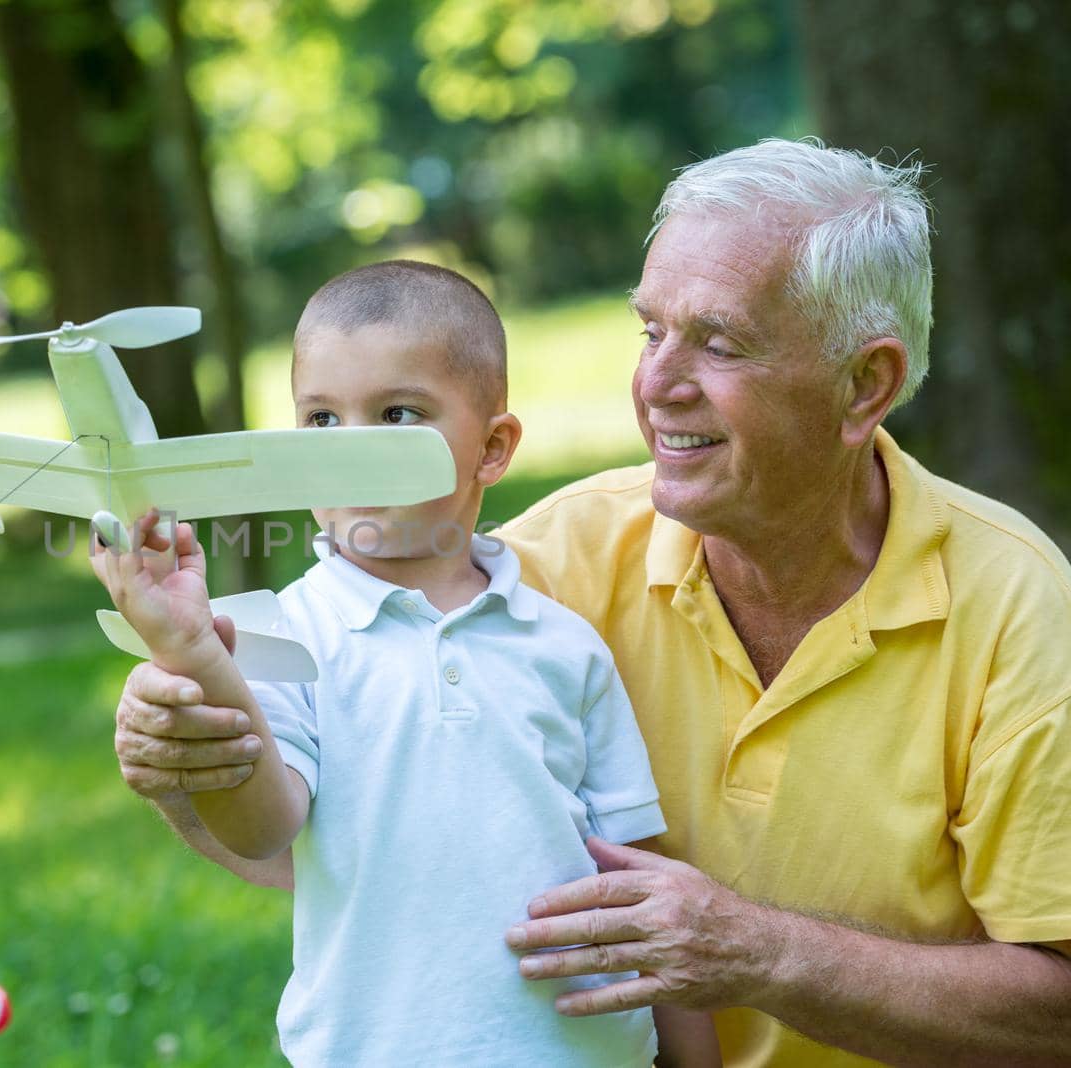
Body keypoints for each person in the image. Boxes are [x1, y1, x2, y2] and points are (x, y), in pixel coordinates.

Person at [108, 140, 1071, 1067]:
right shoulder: (532, 571)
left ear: (867, 384)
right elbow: (348, 836)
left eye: (719, 343)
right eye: (650, 331)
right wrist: (187, 761)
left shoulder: (1014, 607)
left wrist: (767, 955)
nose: (654, 386)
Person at [93, 261, 720, 1066]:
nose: (350, 452)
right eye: (320, 420)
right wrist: (193, 651)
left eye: (396, 414)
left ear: (492, 449)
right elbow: (260, 827)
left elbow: (645, 889)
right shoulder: (286, 637)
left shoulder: (566, 647)